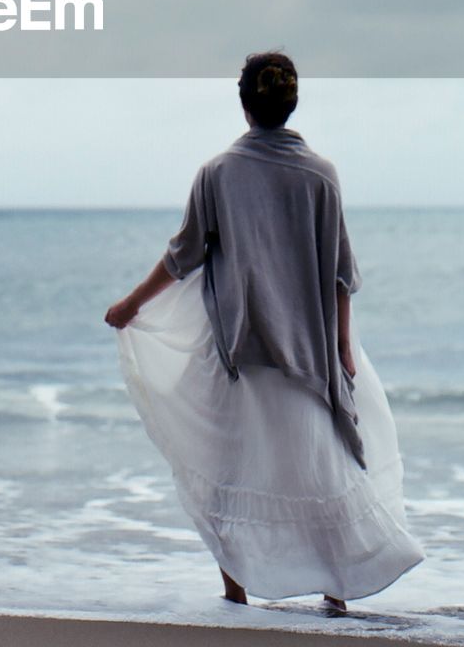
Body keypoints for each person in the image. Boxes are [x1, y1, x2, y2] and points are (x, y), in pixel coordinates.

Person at [105, 51, 424, 614]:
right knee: (323, 468)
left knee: (227, 466)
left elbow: (183, 257)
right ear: (290, 103)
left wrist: (131, 304)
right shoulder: (321, 175)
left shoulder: (218, 173)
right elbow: (340, 275)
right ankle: (336, 591)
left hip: (239, 348)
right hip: (311, 347)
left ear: (244, 105)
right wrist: (343, 348)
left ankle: (235, 593)